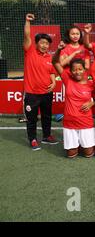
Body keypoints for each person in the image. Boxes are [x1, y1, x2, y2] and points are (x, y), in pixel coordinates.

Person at [52, 42, 95, 158]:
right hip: (69, 122)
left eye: (80, 69)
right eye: (75, 70)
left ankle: (86, 143)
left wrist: (92, 102)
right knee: (71, 155)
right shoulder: (67, 79)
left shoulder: (91, 84)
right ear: (71, 71)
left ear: (84, 70)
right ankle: (76, 144)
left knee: (89, 154)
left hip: (85, 122)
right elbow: (55, 62)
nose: (77, 72)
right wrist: (58, 50)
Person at [22, 13, 58, 150]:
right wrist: (27, 22)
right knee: (31, 119)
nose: (44, 45)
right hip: (32, 94)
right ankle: (32, 139)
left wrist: (54, 82)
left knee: (47, 116)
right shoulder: (29, 51)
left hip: (47, 93)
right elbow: (26, 36)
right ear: (36, 43)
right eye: (42, 42)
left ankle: (47, 136)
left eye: (47, 43)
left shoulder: (49, 57)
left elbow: (52, 72)